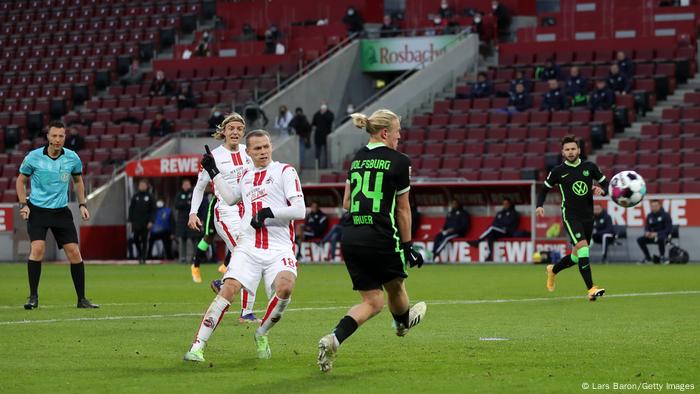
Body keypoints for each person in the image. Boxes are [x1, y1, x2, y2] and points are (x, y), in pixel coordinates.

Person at [317, 109, 427, 373]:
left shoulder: (356, 159)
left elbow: (346, 203)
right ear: (385, 133)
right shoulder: (400, 161)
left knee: (372, 302)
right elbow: (403, 209)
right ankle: (402, 324)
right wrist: (409, 246)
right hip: (381, 236)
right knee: (396, 288)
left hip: (352, 236)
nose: (400, 136)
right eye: (398, 131)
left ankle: (333, 338)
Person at [184, 129, 306, 362]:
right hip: (248, 245)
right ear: (248, 152)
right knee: (228, 288)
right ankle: (197, 346)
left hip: (279, 247)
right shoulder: (247, 177)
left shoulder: (285, 171)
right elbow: (230, 198)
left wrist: (269, 213)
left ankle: (261, 333)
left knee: (285, 288)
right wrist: (213, 171)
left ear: (271, 147)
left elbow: (299, 210)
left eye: (266, 147)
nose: (262, 152)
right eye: (257, 148)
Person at [17, 121, 99, 309]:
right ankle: (33, 297)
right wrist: (24, 204)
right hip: (37, 209)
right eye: (54, 136)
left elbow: (78, 181)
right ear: (48, 137)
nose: (57, 139)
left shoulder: (72, 158)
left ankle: (82, 299)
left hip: (61, 211)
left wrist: (82, 204)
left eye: (61, 136)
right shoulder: (33, 157)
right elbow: (20, 181)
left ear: (65, 137)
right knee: (37, 250)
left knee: (75, 253)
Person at [187, 113, 259, 322]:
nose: (235, 132)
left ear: (243, 132)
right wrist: (193, 213)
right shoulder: (215, 156)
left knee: (250, 256)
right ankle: (246, 312)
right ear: (224, 131)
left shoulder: (249, 152)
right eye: (231, 128)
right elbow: (200, 187)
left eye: (239, 128)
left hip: (247, 212)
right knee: (246, 255)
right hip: (226, 212)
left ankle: (224, 283)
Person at [536, 135, 610, 301]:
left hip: (588, 216)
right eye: (567, 149)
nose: (570, 152)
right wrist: (540, 205)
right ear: (563, 152)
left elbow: (607, 184)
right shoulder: (558, 171)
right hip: (570, 215)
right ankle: (591, 289)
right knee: (584, 248)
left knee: (577, 256)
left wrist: (602, 190)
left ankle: (553, 270)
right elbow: (544, 189)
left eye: (573, 149)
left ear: (579, 150)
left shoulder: (589, 167)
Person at [637, 199, 673, 264]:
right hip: (652, 236)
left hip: (663, 236)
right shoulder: (649, 215)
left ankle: (662, 257)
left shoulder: (666, 215)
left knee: (660, 238)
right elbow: (647, 227)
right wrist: (647, 232)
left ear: (659, 206)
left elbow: (669, 229)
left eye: (655, 206)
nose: (654, 208)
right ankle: (648, 258)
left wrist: (656, 233)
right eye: (652, 206)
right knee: (640, 240)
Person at [128, 179, 156, 264]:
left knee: (144, 240)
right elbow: (131, 208)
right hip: (136, 222)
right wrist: (130, 220)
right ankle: (140, 254)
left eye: (144, 185)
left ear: (147, 186)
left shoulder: (150, 197)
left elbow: (153, 210)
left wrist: (151, 221)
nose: (142, 186)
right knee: (135, 238)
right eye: (141, 185)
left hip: (146, 223)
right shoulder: (135, 196)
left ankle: (143, 258)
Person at [175, 179, 198, 263]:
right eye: (184, 184)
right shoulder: (179, 194)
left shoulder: (193, 193)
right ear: (182, 185)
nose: (186, 186)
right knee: (182, 239)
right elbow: (176, 205)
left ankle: (195, 257)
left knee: (193, 239)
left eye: (187, 184)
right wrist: (186, 203)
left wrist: (185, 204)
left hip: (192, 219)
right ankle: (183, 258)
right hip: (182, 221)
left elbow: (194, 204)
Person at [312, 102, 334, 168]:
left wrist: (324, 114)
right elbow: (313, 123)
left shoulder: (329, 114)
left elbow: (330, 120)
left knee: (326, 152)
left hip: (326, 136)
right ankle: (317, 166)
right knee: (317, 153)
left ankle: (326, 166)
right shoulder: (317, 114)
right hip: (318, 136)